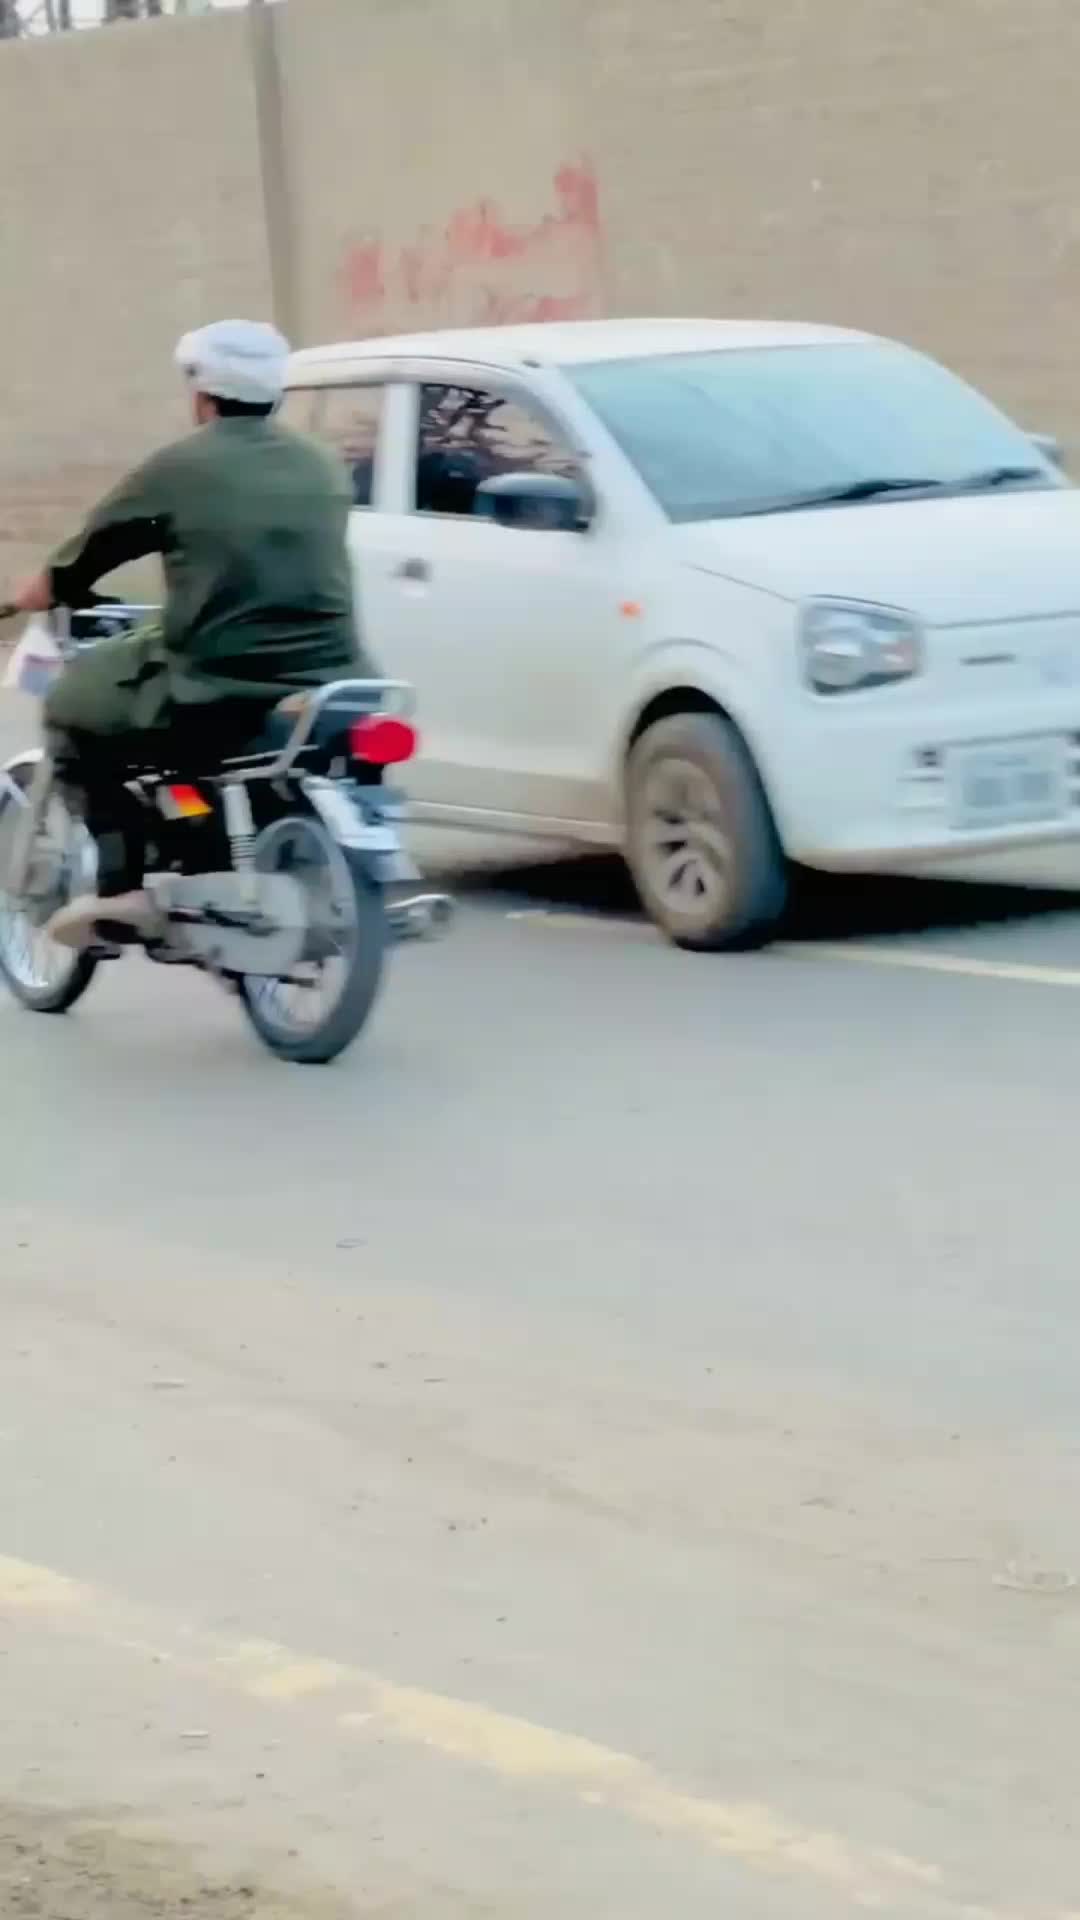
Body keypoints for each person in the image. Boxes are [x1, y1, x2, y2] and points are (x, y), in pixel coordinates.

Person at [10, 318, 373, 949]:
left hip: (217, 681)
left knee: (71, 707)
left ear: (202, 394)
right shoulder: (321, 463)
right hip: (335, 676)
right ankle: (208, 842)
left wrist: (27, 593)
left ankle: (122, 889)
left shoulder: (181, 467)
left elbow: (86, 557)